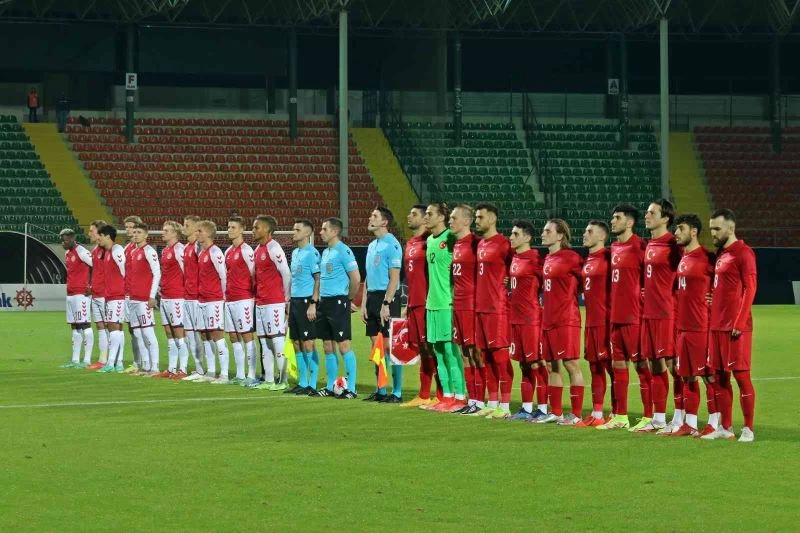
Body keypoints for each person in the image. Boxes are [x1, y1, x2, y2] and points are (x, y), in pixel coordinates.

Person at [702, 209, 757, 443]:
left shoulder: (744, 253)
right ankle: (726, 427)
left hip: (735, 327)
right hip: (716, 325)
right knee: (719, 378)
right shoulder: (721, 254)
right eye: (711, 229)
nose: (713, 233)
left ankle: (748, 429)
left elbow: (750, 287)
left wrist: (740, 321)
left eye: (717, 228)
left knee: (741, 377)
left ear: (731, 228)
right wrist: (714, 297)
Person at [598, 204, 648, 430]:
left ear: (629, 222)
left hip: (633, 316)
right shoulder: (614, 248)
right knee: (618, 365)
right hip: (615, 317)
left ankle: (650, 416)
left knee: (641, 365)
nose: (612, 221)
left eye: (617, 218)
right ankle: (621, 416)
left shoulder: (640, 246)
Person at [638, 199, 683, 434]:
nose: (647, 216)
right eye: (647, 212)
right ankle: (658, 418)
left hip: (667, 312)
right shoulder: (649, 244)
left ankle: (680, 417)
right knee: (654, 363)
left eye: (652, 213)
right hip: (649, 313)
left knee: (674, 365)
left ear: (665, 218)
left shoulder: (674, 244)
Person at [671, 213, 718, 437]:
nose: (676, 232)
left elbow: (726, 284)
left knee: (709, 376)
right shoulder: (683, 258)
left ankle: (715, 423)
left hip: (701, 326)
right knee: (687, 376)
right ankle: (690, 423)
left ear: (694, 231)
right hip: (683, 327)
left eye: (680, 228)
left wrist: (716, 296)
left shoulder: (708, 258)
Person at [537, 219, 585, 425]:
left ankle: (576, 415)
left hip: (566, 318)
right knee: (551, 365)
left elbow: (585, 281)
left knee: (571, 364)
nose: (543, 234)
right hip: (548, 319)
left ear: (560, 236)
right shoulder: (548, 258)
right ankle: (556, 412)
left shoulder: (571, 257)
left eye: (548, 231)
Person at [470, 202, 513, 418]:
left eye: (480, 217)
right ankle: (493, 401)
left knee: (500, 358)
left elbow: (519, 264)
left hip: (497, 307)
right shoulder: (480, 244)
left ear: (492, 219)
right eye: (476, 217)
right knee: (485, 356)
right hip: (480, 307)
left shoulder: (504, 244)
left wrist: (510, 279)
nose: (476, 221)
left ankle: (505, 406)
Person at [422, 202, 465, 413]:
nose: (426, 217)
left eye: (430, 214)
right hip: (432, 303)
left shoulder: (451, 238)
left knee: (450, 350)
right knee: (438, 351)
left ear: (441, 217)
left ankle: (460, 396)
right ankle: (447, 396)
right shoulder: (430, 240)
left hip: (448, 303)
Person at [507, 219, 548, 421]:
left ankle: (543, 408)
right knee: (523, 364)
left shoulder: (535, 259)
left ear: (528, 237)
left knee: (536, 363)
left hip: (531, 318)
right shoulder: (515, 257)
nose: (511, 237)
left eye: (516, 234)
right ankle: (526, 408)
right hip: (515, 319)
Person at [316, 218, 361, 399]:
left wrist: (348, 299)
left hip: (338, 302)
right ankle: (330, 386)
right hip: (324, 303)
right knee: (327, 346)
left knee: (343, 345)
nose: (321, 232)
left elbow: (356, 278)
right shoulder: (326, 252)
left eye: (324, 229)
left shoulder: (344, 251)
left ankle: (352, 388)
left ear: (334, 231)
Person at [361, 207, 403, 402]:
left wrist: (386, 303)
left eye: (375, 216)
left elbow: (394, 278)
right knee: (376, 345)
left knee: (389, 346)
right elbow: (368, 278)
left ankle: (397, 392)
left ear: (384, 222)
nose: (370, 217)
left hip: (387, 298)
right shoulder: (372, 245)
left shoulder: (392, 245)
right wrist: (363, 303)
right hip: (372, 297)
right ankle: (381, 389)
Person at [577, 220, 614, 426]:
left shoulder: (609, 257)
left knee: (612, 368)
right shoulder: (587, 260)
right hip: (590, 323)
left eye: (590, 231)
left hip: (606, 322)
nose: (585, 234)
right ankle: (597, 414)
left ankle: (617, 413)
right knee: (594, 368)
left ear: (602, 236)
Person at [401, 205, 439, 408]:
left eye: (414, 214)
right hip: (414, 303)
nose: (409, 216)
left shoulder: (430, 241)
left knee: (434, 348)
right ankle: (424, 394)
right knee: (423, 349)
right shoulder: (410, 243)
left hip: (428, 303)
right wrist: (408, 303)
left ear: (425, 219)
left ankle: (442, 394)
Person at [449, 205, 483, 415]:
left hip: (472, 305)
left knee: (476, 353)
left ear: (466, 221)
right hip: (458, 305)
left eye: (454, 218)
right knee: (464, 354)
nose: (450, 221)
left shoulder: (477, 244)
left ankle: (482, 401)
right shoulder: (457, 245)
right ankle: (472, 400)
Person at [251, 215, 292, 390]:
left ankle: (283, 380)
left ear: (267, 229)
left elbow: (286, 273)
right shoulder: (258, 249)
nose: (253, 230)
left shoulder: (274, 248)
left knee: (277, 339)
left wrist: (286, 299)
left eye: (256, 227)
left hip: (274, 302)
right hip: (261, 302)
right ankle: (268, 380)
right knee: (264, 341)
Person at [287, 219, 321, 395]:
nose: (294, 232)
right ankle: (302, 381)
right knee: (296, 342)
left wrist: (313, 303)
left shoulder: (312, 253)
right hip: (295, 301)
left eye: (297, 230)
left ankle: (312, 384)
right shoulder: (295, 253)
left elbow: (318, 279)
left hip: (307, 301)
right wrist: (289, 301)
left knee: (308, 343)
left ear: (307, 233)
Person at [223, 216, 256, 386]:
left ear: (242, 229)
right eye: (228, 227)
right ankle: (240, 374)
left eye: (233, 227)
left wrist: (253, 296)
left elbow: (254, 274)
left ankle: (252, 375)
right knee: (233, 337)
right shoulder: (228, 252)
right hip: (230, 299)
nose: (230, 230)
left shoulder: (247, 250)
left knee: (247, 336)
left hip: (244, 299)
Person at [153, 220, 188, 379]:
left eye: (166, 230)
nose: (163, 233)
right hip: (165, 296)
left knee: (179, 333)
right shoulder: (165, 250)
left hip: (177, 297)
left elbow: (186, 271)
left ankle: (183, 369)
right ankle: (171, 368)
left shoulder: (179, 249)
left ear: (175, 233)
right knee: (169, 333)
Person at [196, 220, 229, 383]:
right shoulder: (202, 253)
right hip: (202, 300)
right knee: (205, 335)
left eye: (200, 231)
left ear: (209, 233)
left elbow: (223, 276)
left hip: (214, 300)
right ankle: (210, 371)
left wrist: (222, 297)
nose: (197, 234)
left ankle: (224, 374)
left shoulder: (215, 252)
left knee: (217, 335)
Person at [127, 223, 161, 375]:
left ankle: (155, 367)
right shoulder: (134, 252)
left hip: (144, 299)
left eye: (139, 232)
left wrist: (152, 296)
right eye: (134, 232)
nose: (135, 235)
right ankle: (145, 366)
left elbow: (157, 273)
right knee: (138, 333)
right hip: (133, 298)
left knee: (148, 333)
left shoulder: (149, 251)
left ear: (146, 235)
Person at [59, 228, 93, 368]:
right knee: (75, 326)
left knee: (85, 324)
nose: (63, 243)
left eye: (65, 240)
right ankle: (75, 360)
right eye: (62, 241)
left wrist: (91, 285)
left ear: (72, 239)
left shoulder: (82, 251)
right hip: (71, 293)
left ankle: (87, 360)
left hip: (81, 294)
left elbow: (97, 266)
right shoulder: (68, 253)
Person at [96, 225, 126, 372]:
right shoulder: (107, 252)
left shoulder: (117, 250)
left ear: (108, 236)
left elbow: (125, 271)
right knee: (115, 328)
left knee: (114, 327)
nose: (98, 238)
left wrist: (125, 291)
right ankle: (118, 363)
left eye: (100, 235)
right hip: (111, 296)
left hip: (118, 296)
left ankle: (111, 363)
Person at [180, 215, 207, 381]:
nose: (184, 228)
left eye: (187, 225)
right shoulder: (186, 247)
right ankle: (199, 369)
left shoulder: (198, 247)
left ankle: (207, 369)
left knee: (201, 335)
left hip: (198, 297)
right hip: (187, 296)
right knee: (190, 334)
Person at [122, 215, 145, 374]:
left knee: (143, 330)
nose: (128, 230)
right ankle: (137, 362)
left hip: (139, 296)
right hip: (127, 295)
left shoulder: (143, 250)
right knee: (132, 330)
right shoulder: (127, 248)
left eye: (131, 227)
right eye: (127, 227)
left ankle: (146, 363)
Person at [86, 220, 109, 370]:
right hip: (96, 293)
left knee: (110, 327)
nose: (89, 234)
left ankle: (113, 360)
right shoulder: (95, 251)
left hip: (106, 294)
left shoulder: (107, 250)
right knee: (100, 326)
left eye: (91, 231)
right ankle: (102, 359)